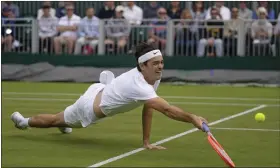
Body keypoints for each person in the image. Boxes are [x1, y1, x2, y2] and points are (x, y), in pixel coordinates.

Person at [11, 42, 208, 150]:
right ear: (142, 65)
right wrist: (192, 118)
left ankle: (68, 120)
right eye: (155, 63)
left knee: (64, 117)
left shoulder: (152, 77)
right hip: (87, 109)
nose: (160, 66)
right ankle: (24, 122)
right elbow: (166, 109)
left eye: (161, 62)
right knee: (56, 119)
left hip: (100, 91)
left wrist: (146, 142)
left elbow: (150, 107)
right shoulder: (139, 83)